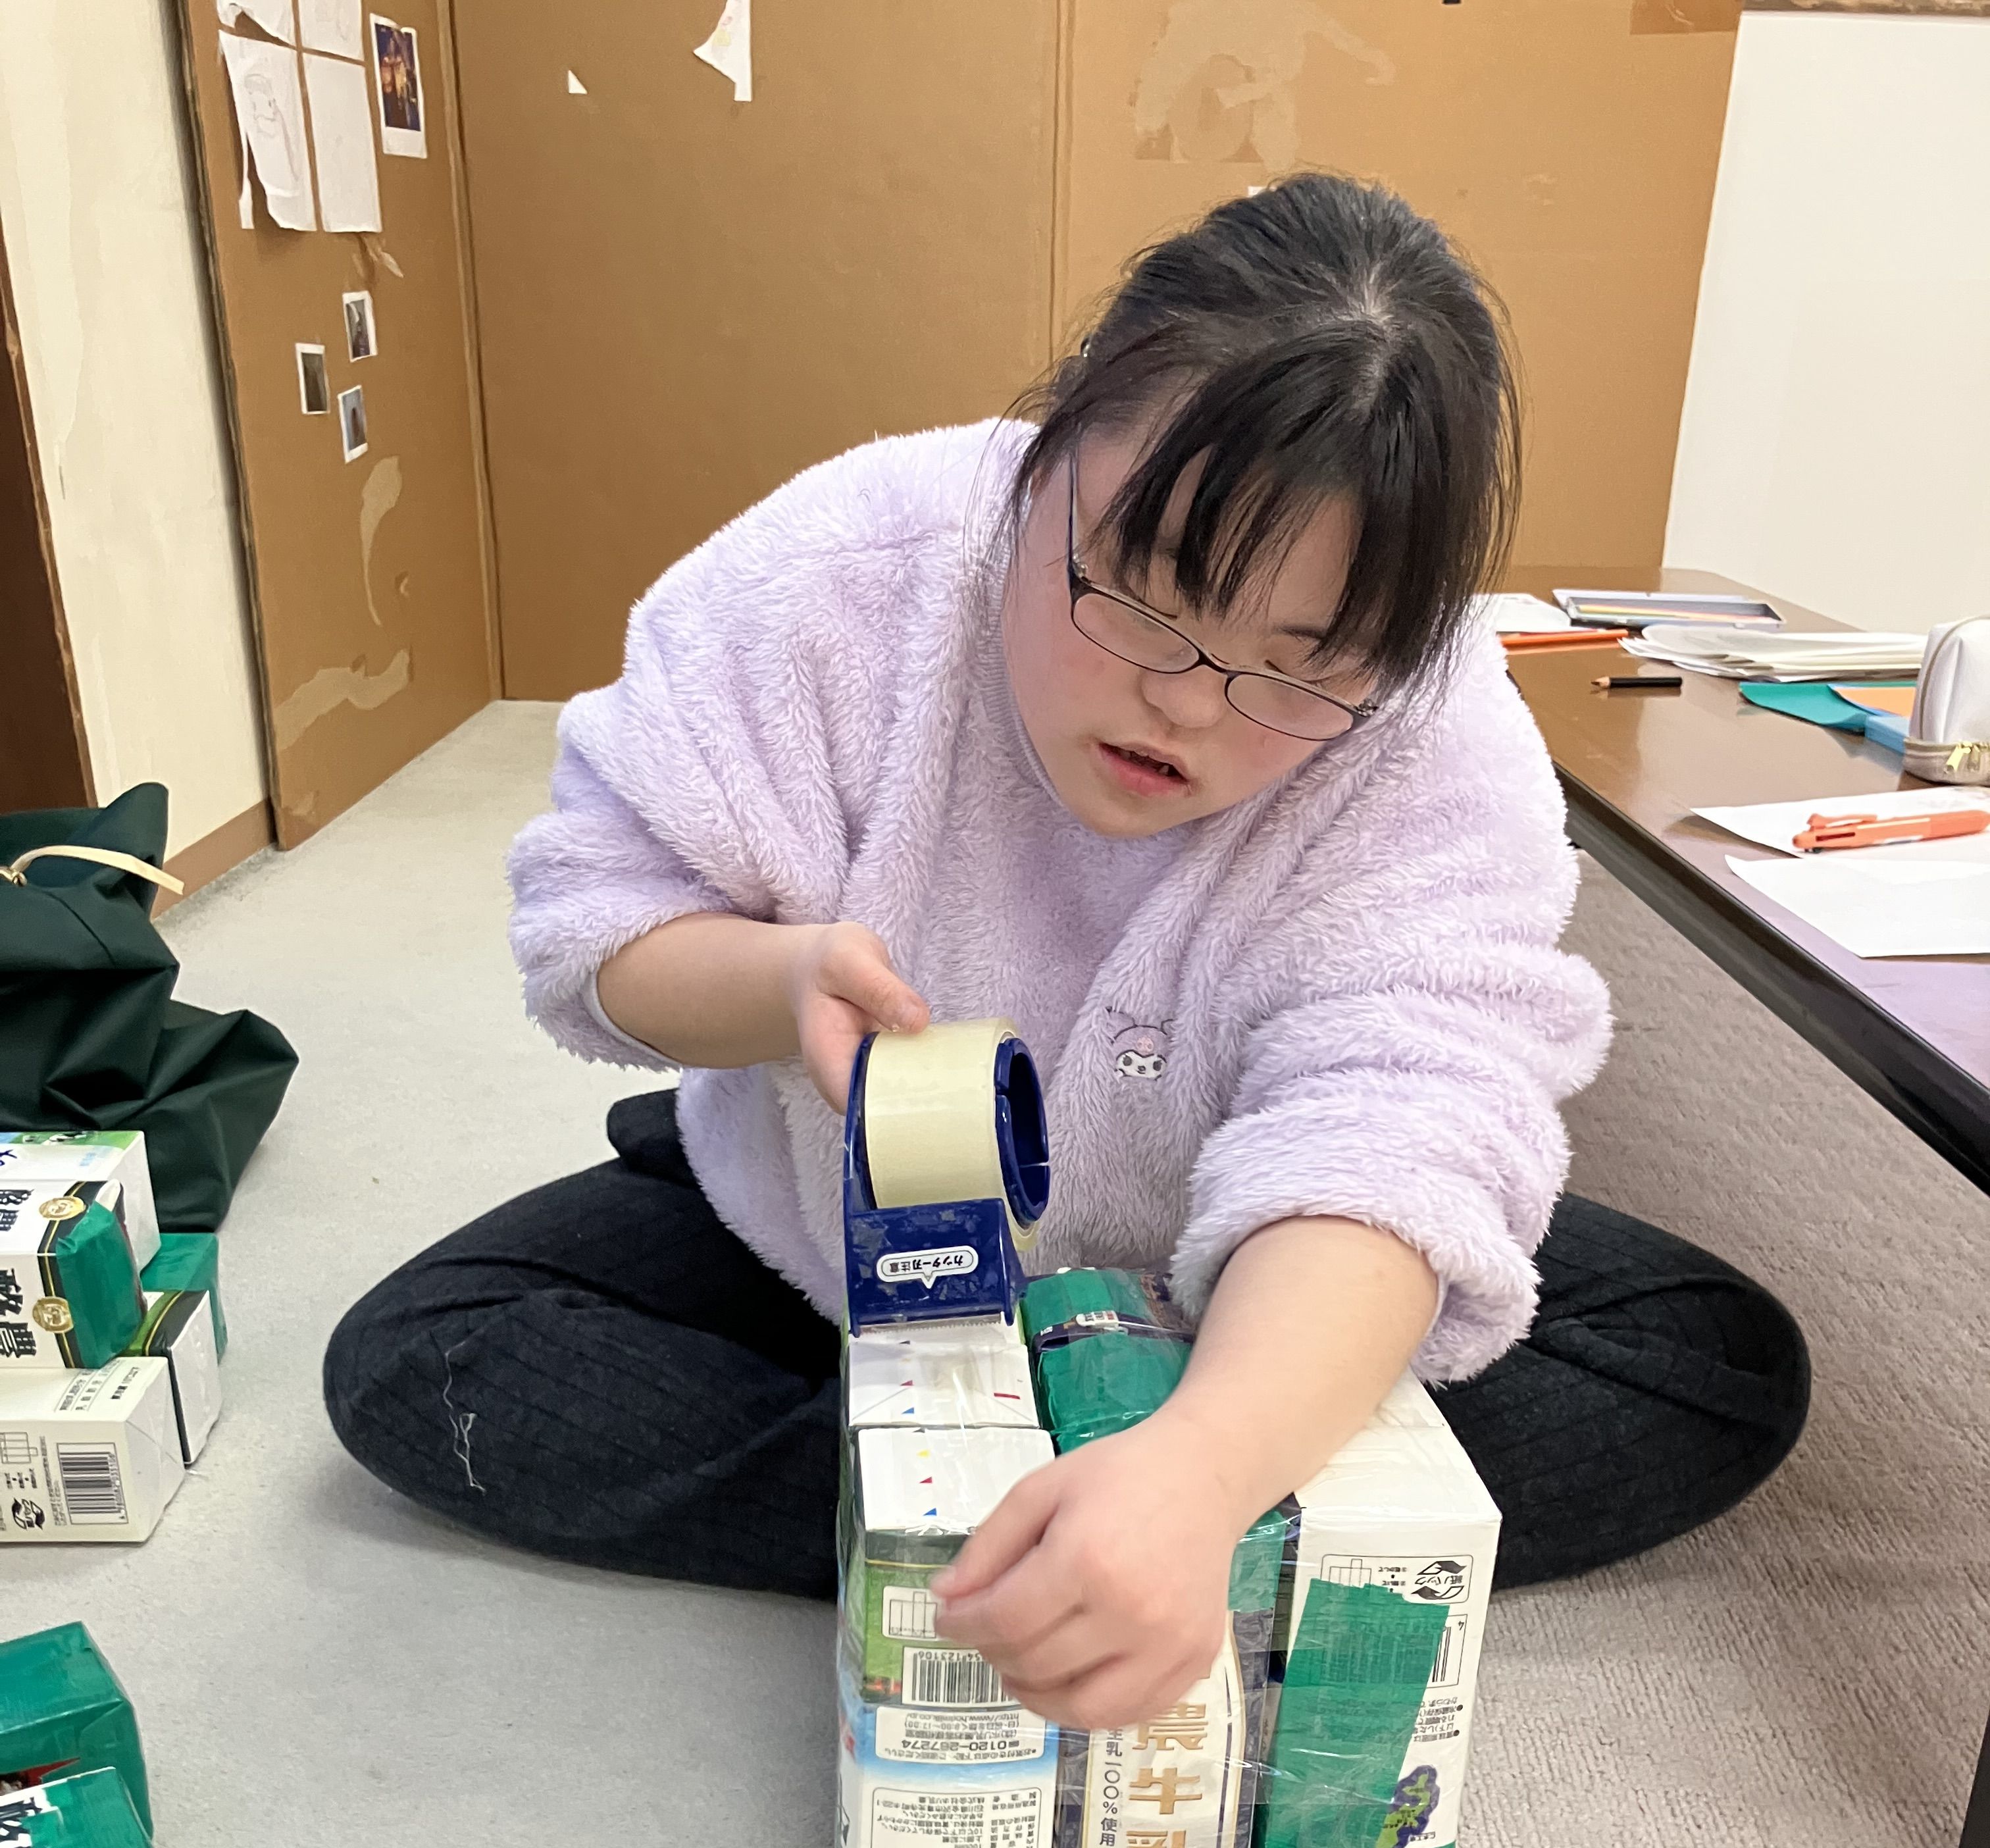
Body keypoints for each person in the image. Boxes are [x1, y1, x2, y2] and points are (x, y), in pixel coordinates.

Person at [324, 172, 1808, 1731]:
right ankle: (1034, 1544)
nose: (1192, 703)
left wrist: (1206, 1466)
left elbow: (1398, 1127)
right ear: (1045, 456)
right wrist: (774, 985)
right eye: (1147, 600)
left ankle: (1045, 1529)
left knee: (1706, 1361)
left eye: (1300, 668)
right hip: (841, 1225)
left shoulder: (1434, 737)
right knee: (425, 1355)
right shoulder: (838, 576)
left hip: (1222, 1266)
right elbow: (596, 920)